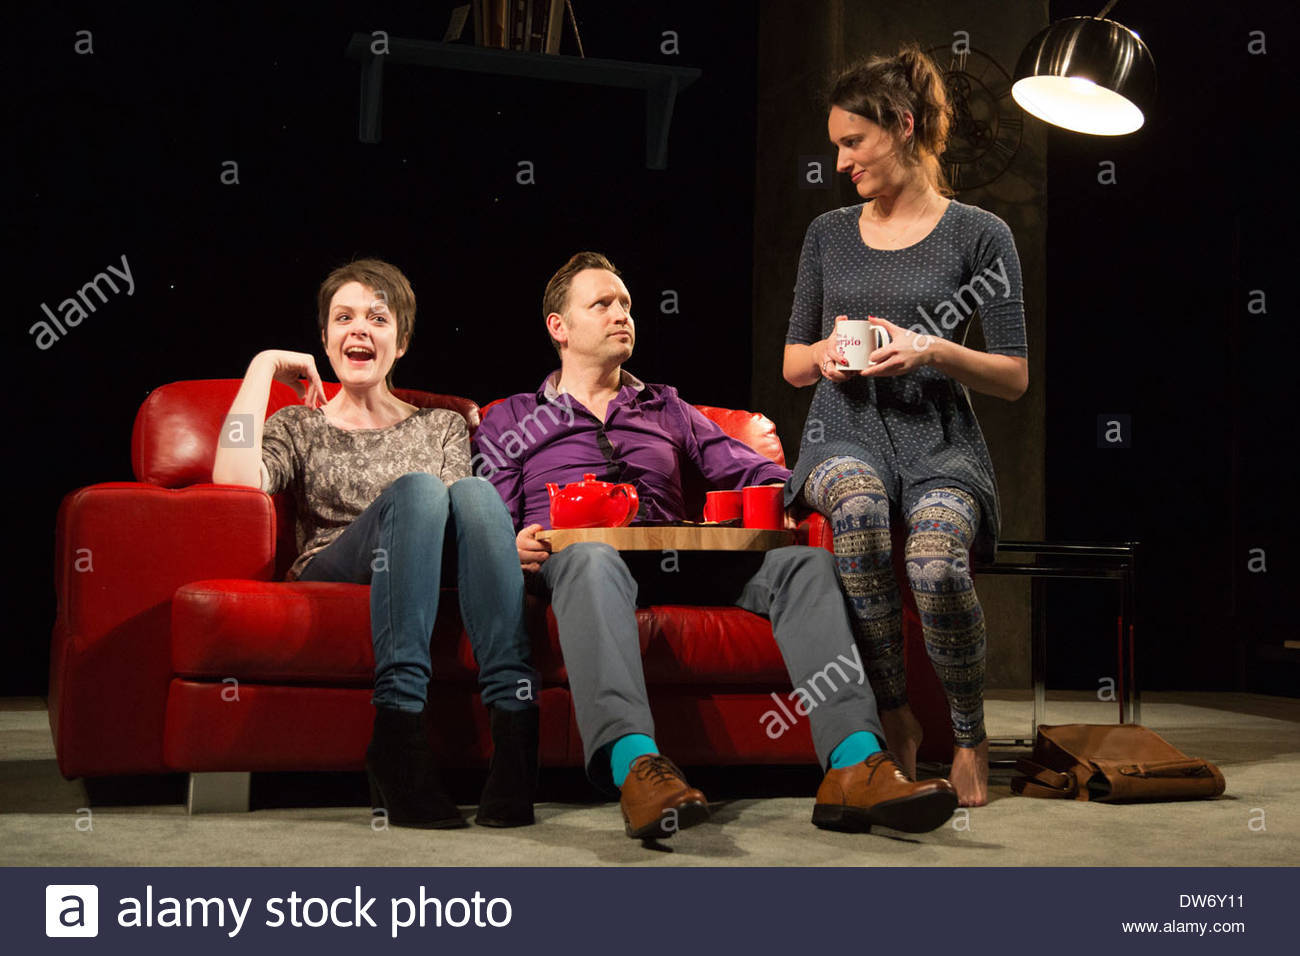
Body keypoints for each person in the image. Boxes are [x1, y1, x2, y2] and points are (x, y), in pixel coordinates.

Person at [474, 250, 958, 841]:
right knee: (592, 560)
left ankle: (855, 766)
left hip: (682, 560)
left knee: (804, 565)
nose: (621, 314)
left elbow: (757, 472)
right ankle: (637, 770)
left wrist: (832, 485)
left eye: (626, 303)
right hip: (577, 564)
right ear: (559, 327)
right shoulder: (512, 418)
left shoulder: (666, 406)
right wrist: (509, 544)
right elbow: (489, 517)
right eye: (601, 304)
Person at [781, 45, 1029, 807]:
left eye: (854, 141)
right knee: (857, 510)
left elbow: (1013, 376)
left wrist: (933, 349)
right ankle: (896, 718)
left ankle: (969, 735)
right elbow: (792, 364)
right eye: (836, 145)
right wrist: (827, 352)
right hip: (841, 431)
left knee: (936, 566)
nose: (841, 161)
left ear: (904, 125)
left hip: (939, 442)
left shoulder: (981, 234)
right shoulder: (828, 233)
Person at [212, 258, 540, 829]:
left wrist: (503, 547)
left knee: (474, 492)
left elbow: (462, 520)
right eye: (344, 318)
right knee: (419, 489)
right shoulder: (300, 424)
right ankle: (398, 739)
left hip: (421, 562)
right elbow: (233, 478)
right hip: (335, 562)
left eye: (378, 318)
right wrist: (263, 366)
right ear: (325, 339)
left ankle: (515, 740)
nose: (359, 328)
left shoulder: (441, 425)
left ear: (401, 341)